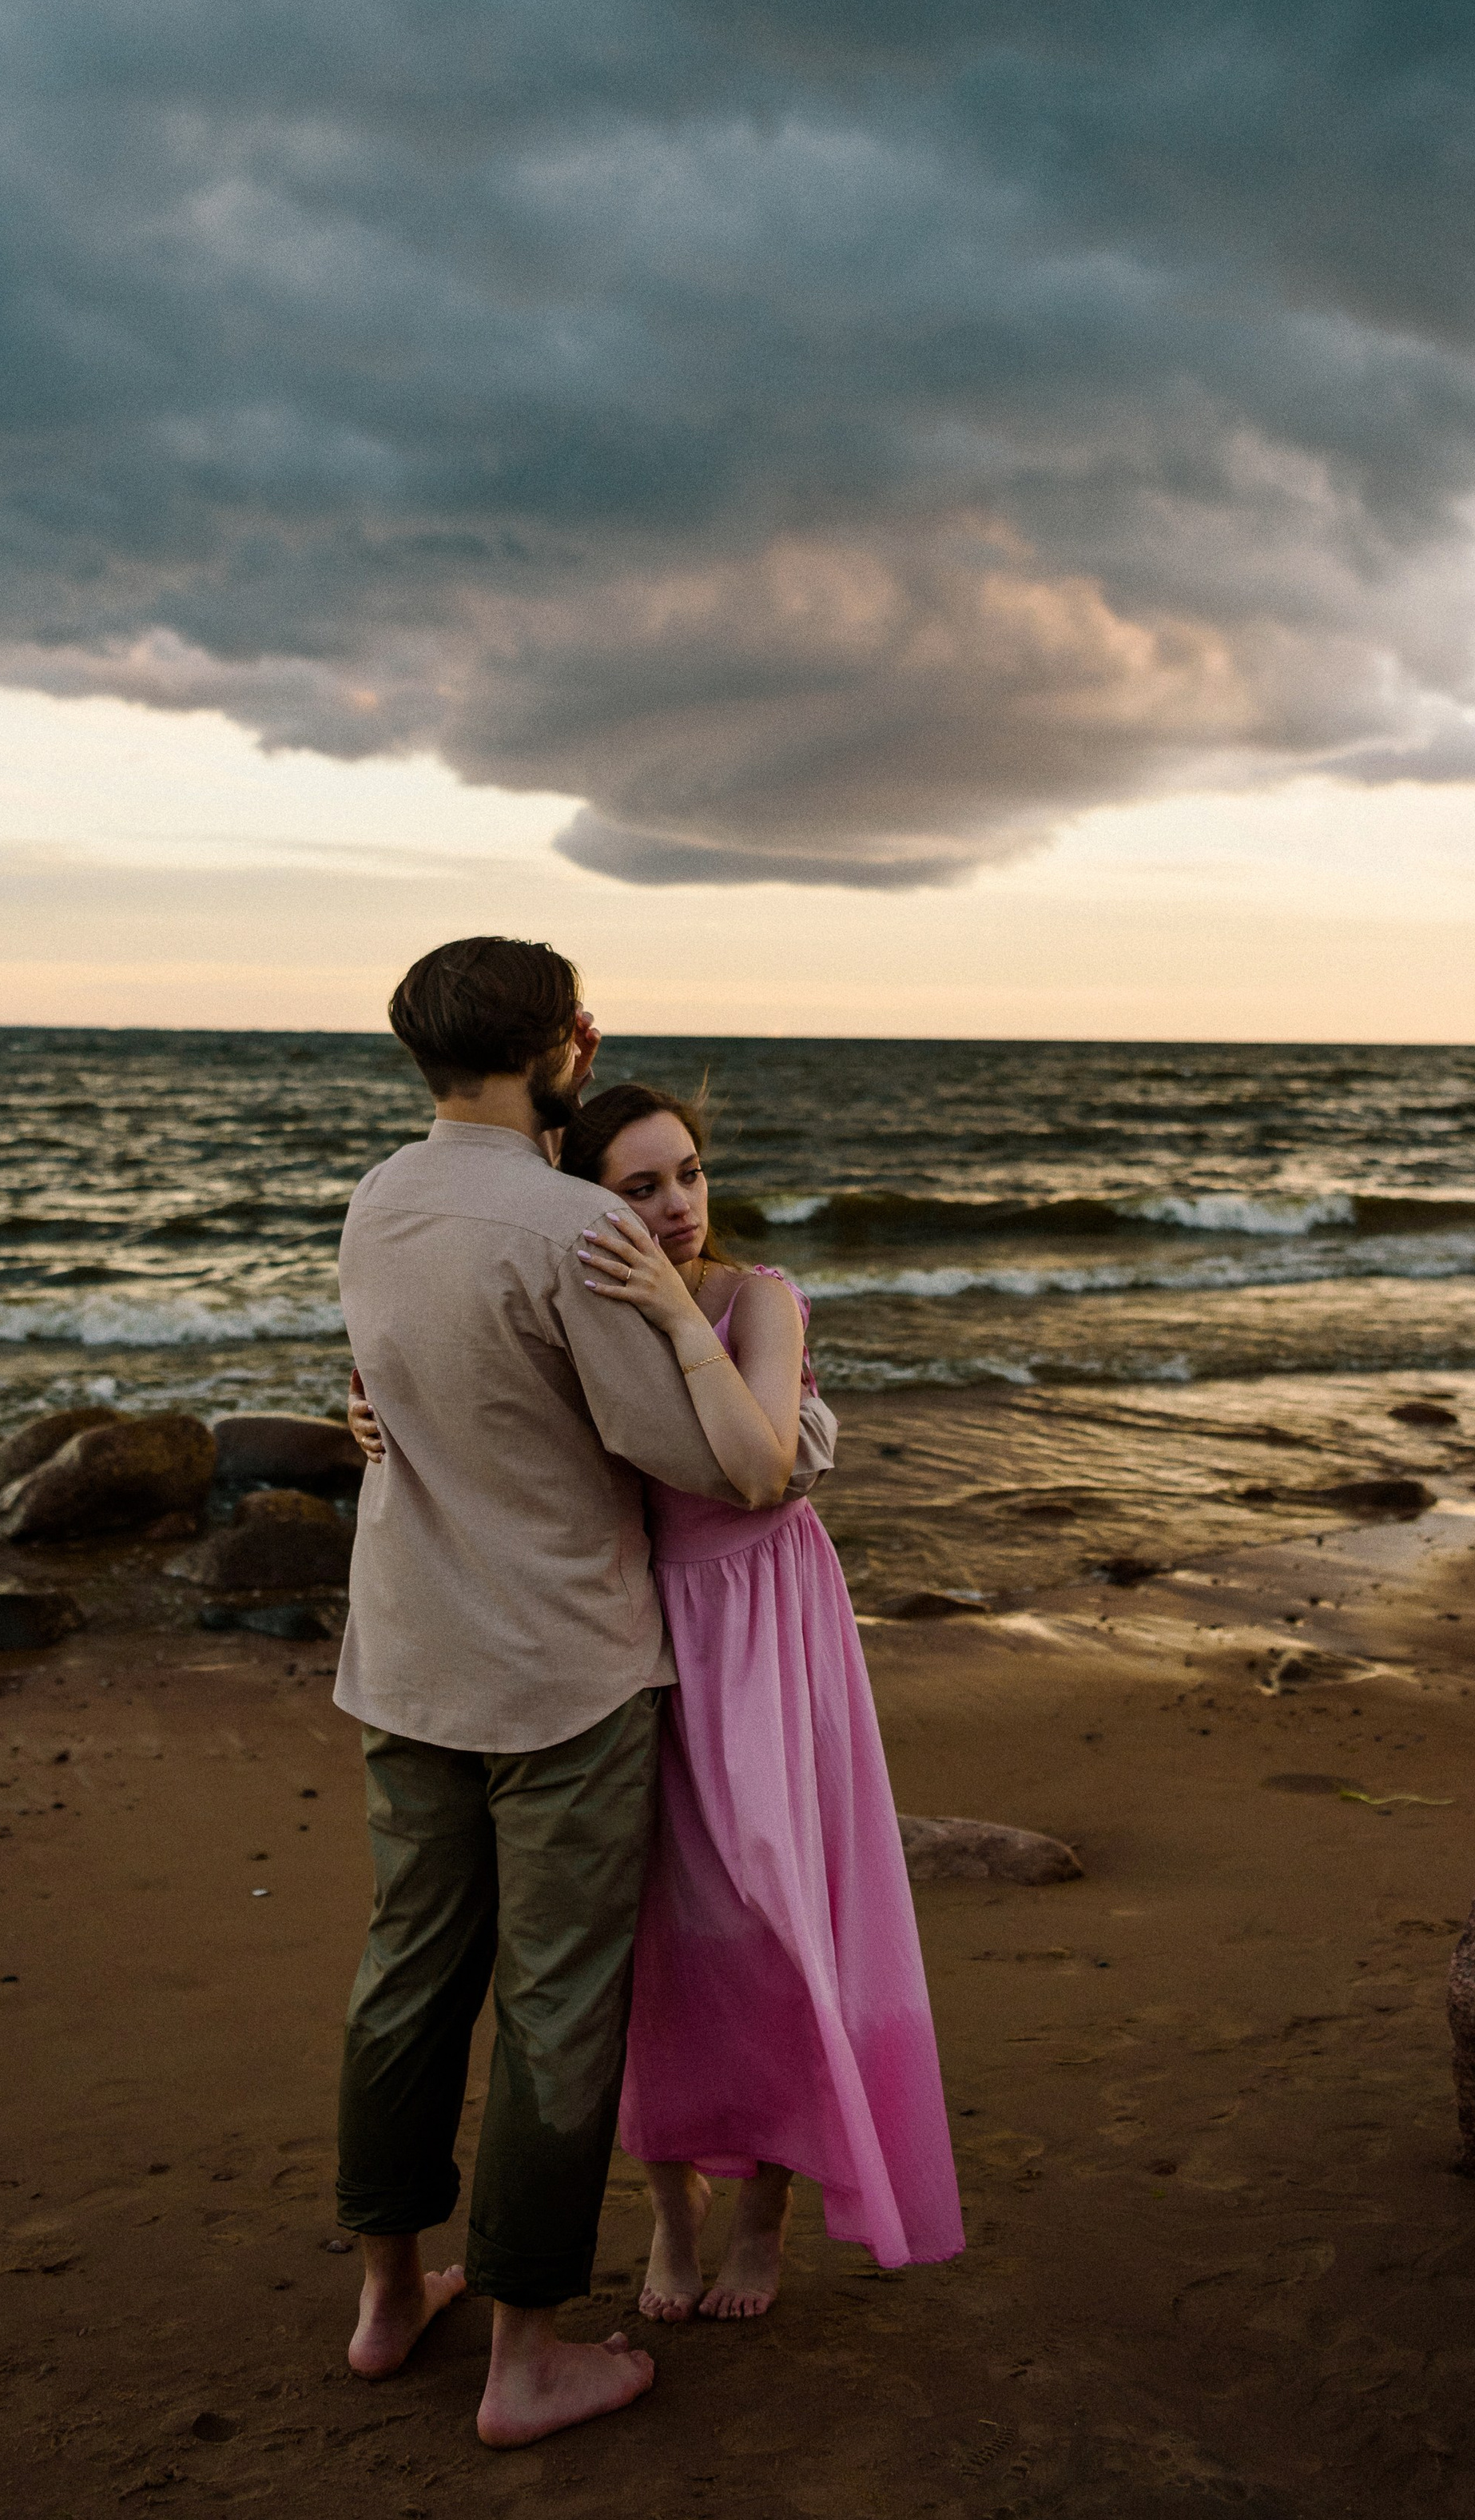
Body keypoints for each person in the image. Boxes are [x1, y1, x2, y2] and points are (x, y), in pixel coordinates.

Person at [332, 936, 772, 2450]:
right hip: (563, 1672)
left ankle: (390, 2297)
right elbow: (700, 1456)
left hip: (406, 1654)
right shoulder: (576, 1221)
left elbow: (401, 1392)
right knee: (557, 2007)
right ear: (569, 1042)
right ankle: (526, 2354)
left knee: (407, 1978)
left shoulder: (379, 1199)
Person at [563, 1082, 964, 2319]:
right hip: (649, 1632)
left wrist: (686, 1327)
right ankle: (668, 2210)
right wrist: (372, 1419)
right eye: (640, 1186)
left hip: (773, 1628)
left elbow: (764, 1468)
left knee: (784, 1919)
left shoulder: (760, 1298)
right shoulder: (582, 1309)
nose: (678, 1204)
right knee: (664, 1945)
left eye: (686, 1173)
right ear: (588, 1201)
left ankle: (767, 2208)